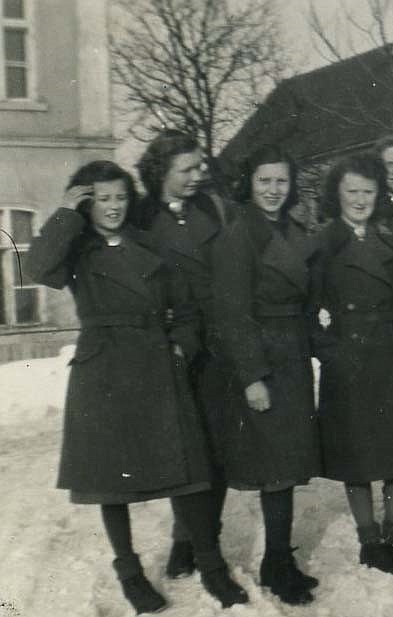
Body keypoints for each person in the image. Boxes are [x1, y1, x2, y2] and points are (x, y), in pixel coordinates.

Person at [27, 161, 245, 613]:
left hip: (157, 365)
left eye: (120, 197)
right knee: (113, 481)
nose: (112, 207)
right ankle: (129, 573)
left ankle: (211, 566)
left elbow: (185, 310)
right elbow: (39, 266)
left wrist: (181, 348)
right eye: (102, 199)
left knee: (187, 473)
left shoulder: (149, 245)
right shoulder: (76, 249)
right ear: (87, 202)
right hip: (103, 369)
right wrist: (65, 215)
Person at [129, 130, 240, 595]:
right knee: (183, 450)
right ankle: (188, 539)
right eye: (187, 170)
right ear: (160, 172)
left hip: (216, 343)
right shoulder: (138, 217)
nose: (198, 176)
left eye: (200, 168)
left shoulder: (211, 208)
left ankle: (199, 535)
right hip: (170, 346)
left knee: (217, 450)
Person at [209, 145, 321, 604]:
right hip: (263, 357)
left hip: (292, 355)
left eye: (280, 181)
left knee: (289, 462)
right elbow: (232, 314)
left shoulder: (294, 231)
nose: (273, 190)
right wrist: (252, 375)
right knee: (275, 465)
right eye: (264, 182)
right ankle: (275, 564)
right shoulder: (238, 236)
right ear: (249, 185)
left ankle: (280, 558)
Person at [311, 152, 393, 576]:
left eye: (368, 191)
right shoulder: (323, 243)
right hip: (349, 357)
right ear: (337, 194)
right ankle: (369, 541)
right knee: (358, 454)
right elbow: (309, 312)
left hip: (391, 354)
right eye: (351, 192)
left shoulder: (389, 243)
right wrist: (332, 353)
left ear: (379, 194)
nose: (360, 200)